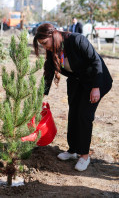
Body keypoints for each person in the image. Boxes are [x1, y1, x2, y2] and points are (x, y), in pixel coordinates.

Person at [33, 23, 113, 171]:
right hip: (77, 82)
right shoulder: (53, 49)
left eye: (44, 43)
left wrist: (96, 87)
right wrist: (42, 95)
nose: (44, 47)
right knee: (74, 113)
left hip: (96, 81)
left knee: (84, 115)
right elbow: (49, 72)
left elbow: (95, 61)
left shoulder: (77, 40)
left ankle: (84, 155)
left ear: (53, 35)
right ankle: (73, 150)